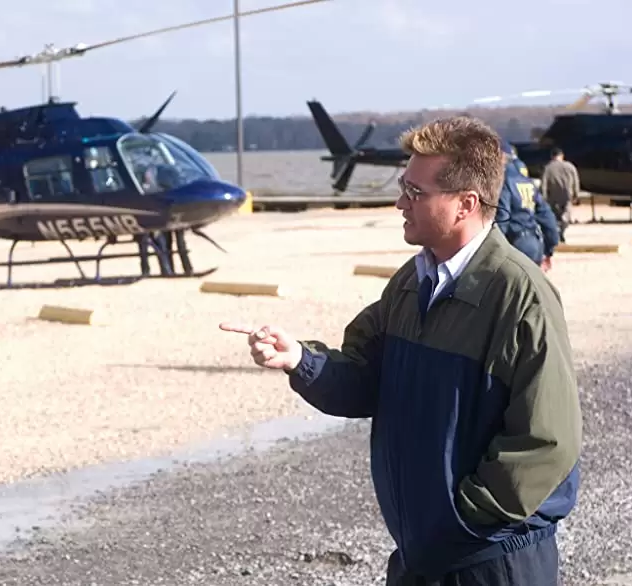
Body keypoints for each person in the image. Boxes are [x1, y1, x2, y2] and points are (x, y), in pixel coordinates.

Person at [220, 116, 581, 585]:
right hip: (423, 557)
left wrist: (459, 520)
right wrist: (300, 360)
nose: (399, 203)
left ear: (465, 204)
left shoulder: (521, 296)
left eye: (416, 193)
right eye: (402, 188)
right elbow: (363, 378)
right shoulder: (411, 285)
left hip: (491, 563)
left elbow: (546, 442)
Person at [495, 142, 560, 272]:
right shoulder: (527, 181)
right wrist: (549, 248)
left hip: (516, 245)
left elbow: (503, 217)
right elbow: (546, 216)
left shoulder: (504, 181)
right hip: (535, 243)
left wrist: (494, 249)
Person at [540, 148, 580, 242]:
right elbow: (576, 181)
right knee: (566, 215)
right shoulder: (570, 166)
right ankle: (562, 231)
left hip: (553, 197)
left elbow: (544, 184)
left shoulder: (548, 168)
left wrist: (543, 197)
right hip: (567, 196)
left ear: (552, 156)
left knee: (555, 216)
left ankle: (557, 232)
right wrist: (576, 194)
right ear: (562, 156)